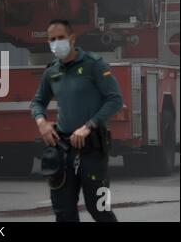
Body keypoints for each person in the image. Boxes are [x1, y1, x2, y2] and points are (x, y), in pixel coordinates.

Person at [31, 19, 123, 222]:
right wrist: (41, 122)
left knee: (100, 208)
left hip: (93, 150)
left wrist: (88, 126)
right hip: (63, 150)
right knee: (64, 212)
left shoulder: (94, 65)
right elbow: (37, 102)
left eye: (61, 37)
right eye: (52, 39)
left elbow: (115, 100)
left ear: (72, 38)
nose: (56, 42)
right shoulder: (52, 71)